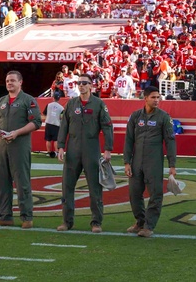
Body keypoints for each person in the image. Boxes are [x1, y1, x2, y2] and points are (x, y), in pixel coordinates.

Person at [57, 73, 114, 233]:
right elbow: (64, 126)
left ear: (91, 86)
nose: (81, 85)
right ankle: (67, 222)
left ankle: (96, 222)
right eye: (79, 83)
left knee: (95, 188)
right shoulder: (71, 104)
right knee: (67, 186)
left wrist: (108, 149)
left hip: (91, 149)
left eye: (84, 83)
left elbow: (107, 126)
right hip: (73, 150)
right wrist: (61, 146)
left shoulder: (98, 104)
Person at [0, 70, 42, 228]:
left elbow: (36, 122)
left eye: (12, 80)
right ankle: (5, 216)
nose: (9, 83)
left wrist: (17, 133)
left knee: (22, 181)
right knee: (1, 181)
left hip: (20, 145)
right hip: (2, 145)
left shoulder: (28, 100)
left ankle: (27, 217)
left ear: (20, 82)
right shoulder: (2, 101)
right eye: (7, 81)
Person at [123, 86, 177, 238]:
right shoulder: (135, 116)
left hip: (154, 161)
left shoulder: (164, 117)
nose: (156, 100)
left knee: (156, 193)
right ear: (145, 98)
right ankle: (140, 222)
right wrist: (127, 161)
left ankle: (149, 225)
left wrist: (172, 165)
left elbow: (170, 141)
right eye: (153, 97)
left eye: (158, 97)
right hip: (136, 161)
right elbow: (128, 140)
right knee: (134, 193)